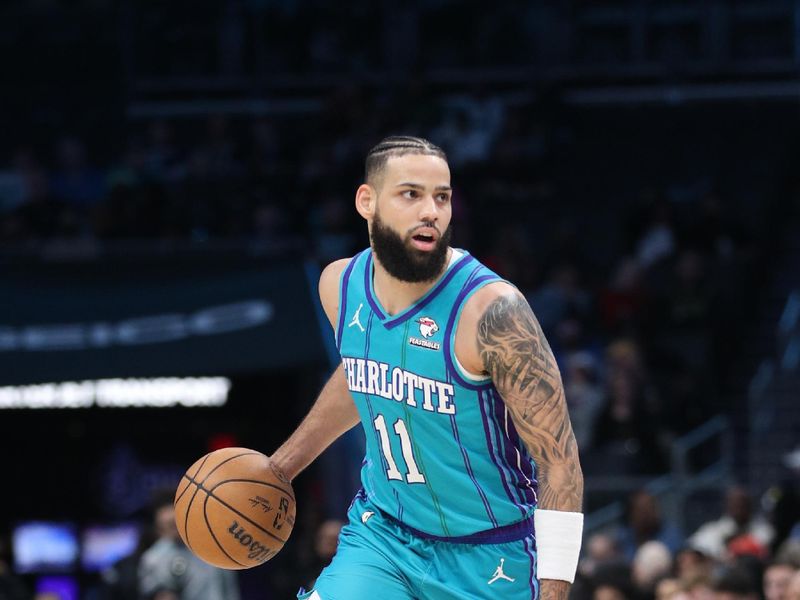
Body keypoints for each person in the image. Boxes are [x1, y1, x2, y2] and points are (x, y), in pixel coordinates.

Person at [269, 136, 584, 599]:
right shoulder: (338, 284)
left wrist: (554, 594)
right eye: (411, 194)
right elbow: (362, 373)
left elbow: (560, 462)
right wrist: (280, 467)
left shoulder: (493, 313)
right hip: (384, 537)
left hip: (490, 554)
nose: (431, 211)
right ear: (367, 202)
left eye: (442, 197)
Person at [137, 491, 240, 600]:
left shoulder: (215, 545)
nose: (174, 527)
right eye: (169, 525)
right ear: (159, 525)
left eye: (175, 522)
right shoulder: (154, 559)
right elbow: (163, 595)